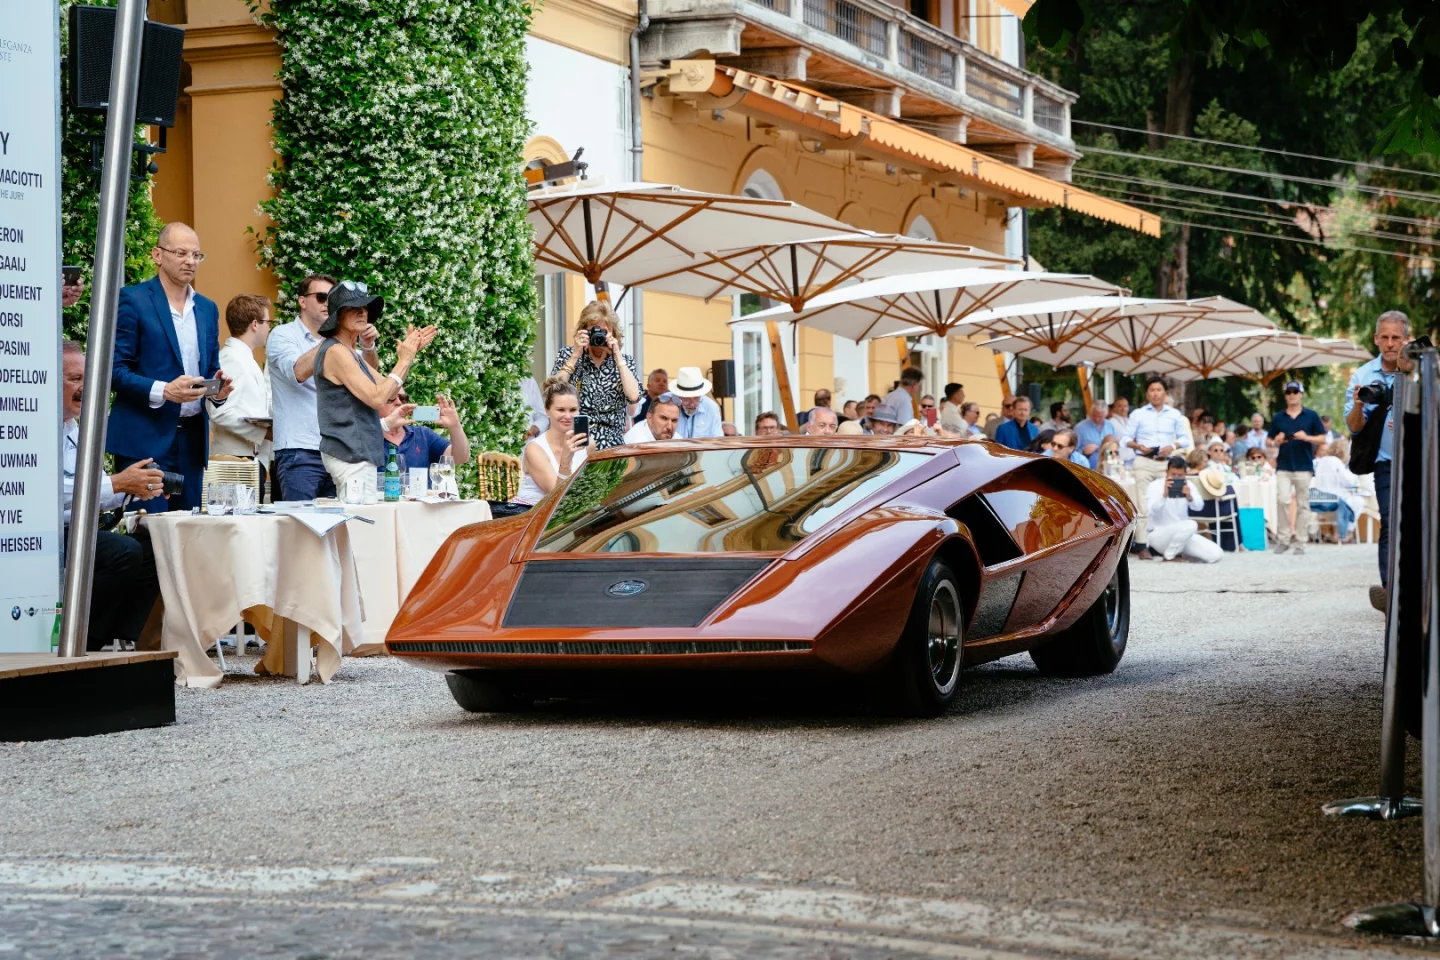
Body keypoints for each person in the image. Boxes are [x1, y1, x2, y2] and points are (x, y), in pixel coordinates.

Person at [107, 222, 234, 511]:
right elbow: (114, 371)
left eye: (197, 255)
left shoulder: (207, 308)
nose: (190, 261)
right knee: (149, 535)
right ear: (158, 255)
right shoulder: (133, 300)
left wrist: (218, 391)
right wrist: (165, 390)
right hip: (145, 438)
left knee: (188, 535)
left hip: (192, 440)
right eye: (181, 253)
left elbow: (211, 370)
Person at [61, 341, 165, 650]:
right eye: (74, 378)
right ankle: (84, 639)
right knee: (122, 551)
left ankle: (120, 639)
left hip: (76, 526)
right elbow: (50, 493)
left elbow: (90, 488)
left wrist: (133, 489)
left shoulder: (73, 426)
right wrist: (119, 483)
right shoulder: (34, 426)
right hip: (44, 534)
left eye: (86, 378)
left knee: (156, 547)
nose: (83, 387)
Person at [315, 281, 436, 492]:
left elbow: (389, 389)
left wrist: (409, 355)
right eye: (353, 308)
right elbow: (378, 398)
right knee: (363, 523)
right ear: (337, 315)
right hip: (350, 455)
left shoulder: (348, 352)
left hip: (355, 454)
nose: (362, 313)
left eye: (364, 308)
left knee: (361, 522)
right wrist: (404, 360)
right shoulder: (336, 352)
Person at [1347, 310, 1412, 608]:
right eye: (1384, 337)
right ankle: (1390, 592)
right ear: (1376, 339)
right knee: (1389, 523)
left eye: (1395, 337)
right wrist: (1359, 403)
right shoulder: (1363, 375)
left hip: (1420, 460)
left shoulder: (1420, 371)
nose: (1389, 343)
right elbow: (1354, 427)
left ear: (1406, 338)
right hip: (1385, 463)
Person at [266, 273, 345, 501]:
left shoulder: (336, 340)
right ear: (302, 301)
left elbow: (364, 378)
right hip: (299, 451)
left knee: (336, 531)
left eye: (332, 299)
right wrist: (332, 341)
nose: (328, 304)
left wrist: (368, 348)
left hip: (336, 451)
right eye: (322, 297)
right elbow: (297, 371)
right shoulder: (283, 335)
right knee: (299, 531)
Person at [549, 301, 641, 449]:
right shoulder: (567, 355)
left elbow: (633, 398)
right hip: (575, 441)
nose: (599, 336)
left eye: (604, 331)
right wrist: (575, 355)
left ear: (613, 333)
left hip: (612, 445)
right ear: (584, 331)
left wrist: (617, 356)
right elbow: (552, 393)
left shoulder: (625, 362)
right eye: (594, 330)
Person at [207, 294, 273, 490]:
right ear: (255, 324)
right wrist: (263, 431)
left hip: (248, 459)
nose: (269, 327)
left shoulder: (242, 357)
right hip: (235, 462)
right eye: (268, 322)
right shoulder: (231, 359)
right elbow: (218, 411)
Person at [1124, 376, 1191, 559]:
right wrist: (1139, 446)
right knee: (1143, 504)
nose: (1155, 393)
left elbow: (1185, 439)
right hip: (1144, 461)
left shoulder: (1174, 414)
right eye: (1152, 390)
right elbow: (1125, 439)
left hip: (1165, 463)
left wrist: (1173, 446)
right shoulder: (1138, 414)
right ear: (1147, 393)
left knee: (1167, 502)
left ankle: (1166, 544)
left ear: (1165, 393)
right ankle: (1142, 545)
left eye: (1159, 390)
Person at [1269, 380, 1326, 556]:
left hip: (1303, 465)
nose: (1292, 395)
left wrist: (1307, 437)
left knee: (1303, 504)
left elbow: (1322, 438)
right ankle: (1284, 539)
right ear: (1285, 396)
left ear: (1301, 394)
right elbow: (1268, 440)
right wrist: (1276, 441)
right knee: (1282, 500)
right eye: (1289, 392)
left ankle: (1300, 542)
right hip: (1284, 465)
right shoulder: (1278, 417)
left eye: (1295, 391)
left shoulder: (1311, 416)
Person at [513, 381, 590, 508]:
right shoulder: (534, 449)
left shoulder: (587, 444)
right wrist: (566, 459)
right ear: (547, 411)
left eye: (573, 410)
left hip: (571, 515)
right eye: (561, 410)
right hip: (533, 515)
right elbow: (557, 499)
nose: (568, 416)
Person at [1145, 456, 1222, 563]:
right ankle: (1169, 556)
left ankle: (1181, 553)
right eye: (1173, 474)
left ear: (1185, 474)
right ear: (1166, 472)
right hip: (1159, 534)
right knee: (1191, 524)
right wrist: (1164, 496)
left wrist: (1190, 497)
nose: (1176, 478)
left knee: (1216, 554)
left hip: (1184, 535)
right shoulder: (1155, 485)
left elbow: (1199, 507)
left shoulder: (1188, 485)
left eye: (1180, 475)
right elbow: (1151, 510)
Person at [379, 392, 471, 470]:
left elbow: (460, 458)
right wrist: (384, 425)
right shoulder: (368, 438)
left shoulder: (423, 435)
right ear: (376, 405)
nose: (398, 402)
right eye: (391, 398)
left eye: (403, 398)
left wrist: (455, 426)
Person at [1313, 439, 1366, 542]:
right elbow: (1348, 482)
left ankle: (1338, 533)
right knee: (1359, 501)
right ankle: (1346, 532)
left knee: (1345, 500)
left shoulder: (1321, 461)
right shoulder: (1337, 462)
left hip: (1318, 501)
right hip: (1334, 504)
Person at [667, 368, 724, 439]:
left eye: (696, 398)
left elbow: (718, 440)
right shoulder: (665, 403)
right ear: (678, 395)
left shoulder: (711, 408)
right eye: (687, 398)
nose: (692, 404)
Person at [1074, 401, 1116, 469]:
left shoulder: (1110, 425)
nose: (1097, 419)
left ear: (1106, 414)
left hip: (1108, 466)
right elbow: (1072, 452)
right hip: (1088, 468)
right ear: (1090, 413)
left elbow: (1115, 446)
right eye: (1094, 415)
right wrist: (1083, 451)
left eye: (1100, 416)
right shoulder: (1080, 428)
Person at [1107, 397, 1134, 468]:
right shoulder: (1110, 422)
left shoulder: (1130, 421)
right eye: (1120, 406)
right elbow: (1109, 442)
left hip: (1131, 457)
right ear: (1114, 408)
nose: (1123, 408)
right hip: (1118, 458)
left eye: (1125, 406)